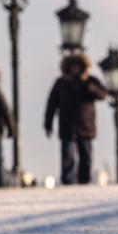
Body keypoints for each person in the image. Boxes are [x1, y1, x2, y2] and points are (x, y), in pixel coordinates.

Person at [44, 53, 107, 185]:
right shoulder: (61, 83)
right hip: (67, 126)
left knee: (86, 156)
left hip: (86, 126)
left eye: (77, 67)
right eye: (73, 67)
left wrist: (88, 87)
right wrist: (48, 123)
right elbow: (51, 104)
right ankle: (68, 181)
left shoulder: (90, 81)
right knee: (68, 156)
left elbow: (102, 94)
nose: (75, 69)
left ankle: (84, 180)